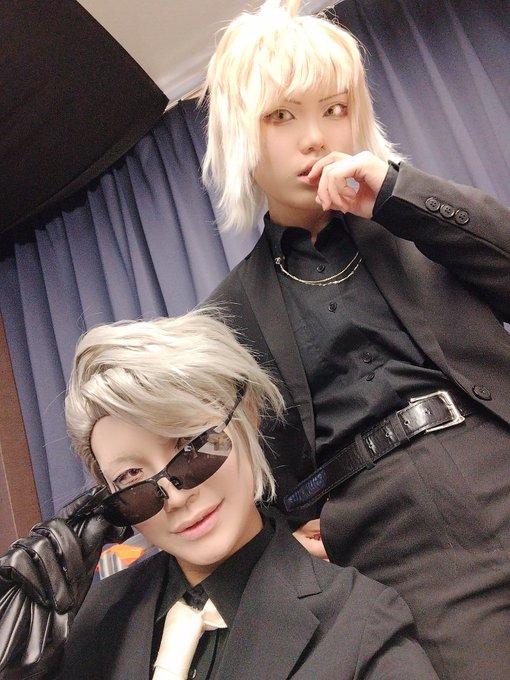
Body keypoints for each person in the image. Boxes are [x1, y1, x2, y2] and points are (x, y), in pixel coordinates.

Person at [200, 1, 510, 679]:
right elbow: (235, 482)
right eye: (282, 116)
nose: (315, 137)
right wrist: (283, 541)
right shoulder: (224, 317)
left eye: (334, 109)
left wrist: (398, 195)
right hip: (394, 547)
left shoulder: (419, 224)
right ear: (240, 135)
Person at [0, 310, 439, 680]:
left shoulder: (360, 626)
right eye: (132, 479)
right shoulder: (92, 622)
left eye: (191, 447)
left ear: (246, 413)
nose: (175, 497)